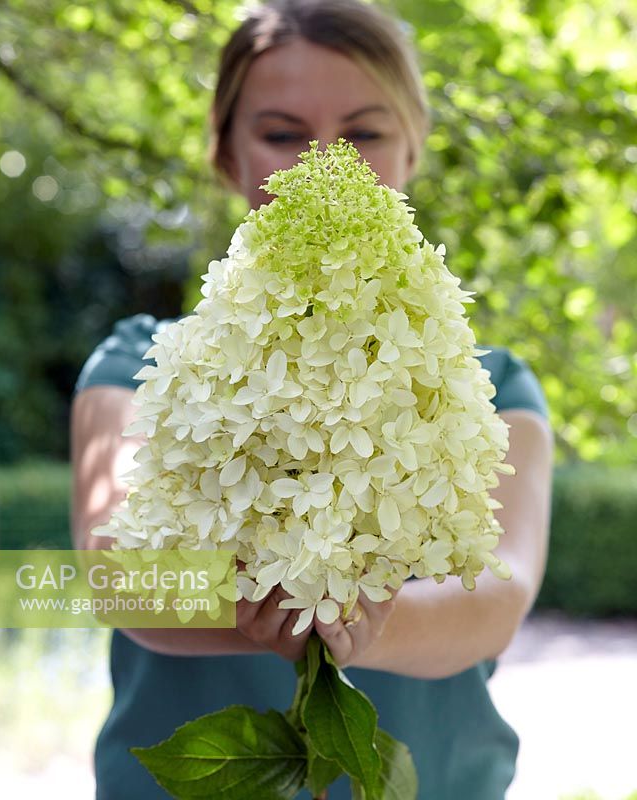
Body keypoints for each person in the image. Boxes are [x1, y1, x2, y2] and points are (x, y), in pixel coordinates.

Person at [71, 1, 553, 798]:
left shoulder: (490, 380)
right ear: (226, 155)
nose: (324, 164)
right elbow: (115, 575)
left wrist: (368, 622)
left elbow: (496, 596)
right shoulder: (139, 362)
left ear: (412, 149)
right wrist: (273, 601)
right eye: (283, 133)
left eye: (363, 132)